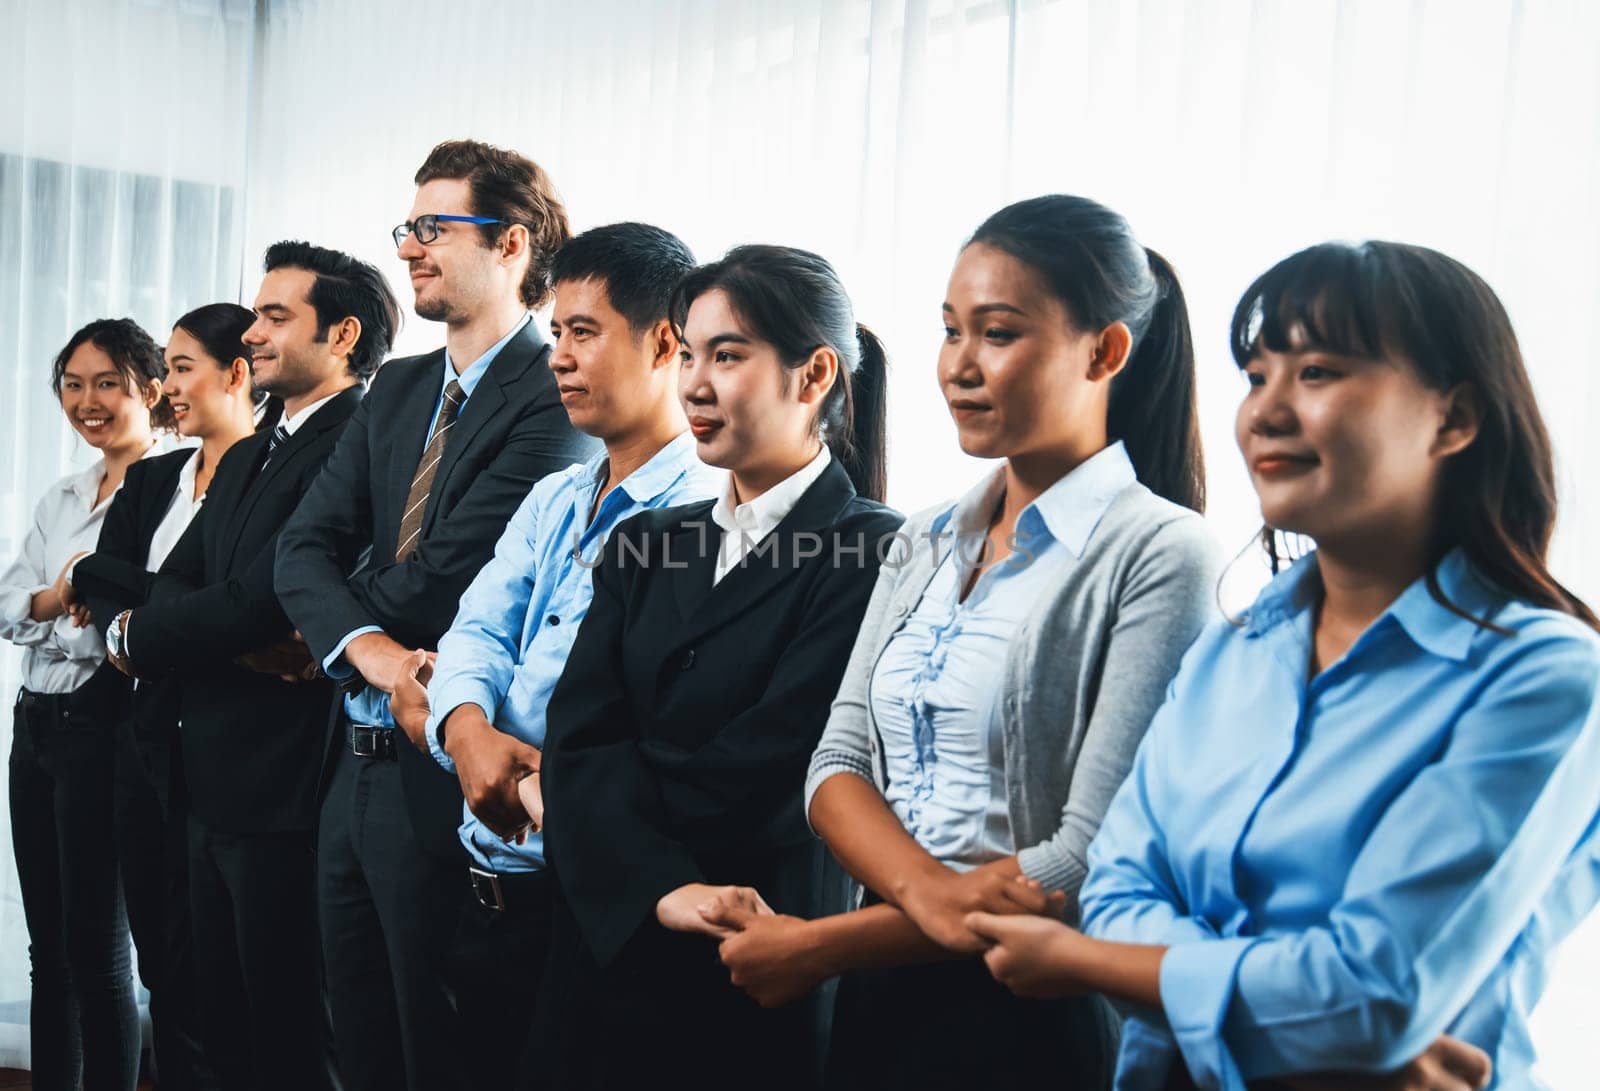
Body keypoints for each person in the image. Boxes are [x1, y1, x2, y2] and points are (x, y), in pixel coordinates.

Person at [966, 241, 1600, 1091]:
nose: (1265, 411)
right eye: (1258, 375)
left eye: (1319, 372)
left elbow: (1372, 992)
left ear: (1454, 419)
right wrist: (1301, 1021)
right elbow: (1117, 889)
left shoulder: (1543, 676)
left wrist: (1091, 961)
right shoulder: (1237, 647)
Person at [705, 196, 1219, 1091]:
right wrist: (929, 897)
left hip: (1033, 1017)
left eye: (999, 333)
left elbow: (1079, 860)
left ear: (1104, 352)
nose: (960, 366)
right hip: (881, 1002)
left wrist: (825, 944)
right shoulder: (927, 535)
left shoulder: (1162, 553)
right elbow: (837, 762)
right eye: (950, 331)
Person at [534, 243, 903, 1091]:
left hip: (748, 948)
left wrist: (623, 844)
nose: (695, 383)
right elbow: (579, 737)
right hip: (601, 944)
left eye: (728, 355)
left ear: (814, 375)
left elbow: (777, 759)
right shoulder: (646, 542)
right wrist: (656, 885)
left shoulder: (874, 549)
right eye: (689, 353)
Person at [273, 138, 598, 1091]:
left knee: (437, 1050)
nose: (410, 247)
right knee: (358, 1036)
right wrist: (369, 650)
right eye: (407, 227)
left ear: (512, 245)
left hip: (443, 772)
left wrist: (333, 619)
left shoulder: (560, 390)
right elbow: (302, 545)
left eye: (433, 227)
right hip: (353, 764)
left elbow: (451, 579)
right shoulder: (398, 387)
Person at [384, 221, 720, 1087]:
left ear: (665, 344)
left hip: (588, 899)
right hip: (483, 879)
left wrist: (442, 716)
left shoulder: (704, 513)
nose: (558, 357)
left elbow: (585, 697)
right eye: (556, 331)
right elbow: (478, 632)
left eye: (583, 332)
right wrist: (464, 730)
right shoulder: (557, 493)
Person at [104, 242, 399, 1091]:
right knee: (214, 1020)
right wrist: (150, 624)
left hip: (286, 787)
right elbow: (192, 585)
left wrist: (134, 637)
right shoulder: (255, 444)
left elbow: (262, 599)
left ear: (340, 334)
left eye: (276, 316)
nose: (254, 334)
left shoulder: (361, 439)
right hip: (206, 779)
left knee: (290, 1039)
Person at [65, 302, 260, 1091]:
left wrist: (141, 604)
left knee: (221, 978)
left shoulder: (264, 478)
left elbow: (224, 601)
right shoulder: (153, 478)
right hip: (138, 742)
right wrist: (139, 619)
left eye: (180, 368)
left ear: (236, 372)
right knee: (160, 963)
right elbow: (105, 588)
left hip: (226, 752)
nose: (166, 386)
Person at [1, 317, 168, 1090]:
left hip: (99, 732)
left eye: (108, 382)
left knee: (99, 951)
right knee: (47, 951)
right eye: (73, 383)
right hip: (32, 726)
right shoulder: (62, 493)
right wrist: (59, 598)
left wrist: (62, 617)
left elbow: (110, 635)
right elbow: (10, 606)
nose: (87, 400)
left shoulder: (166, 492)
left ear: (150, 386)